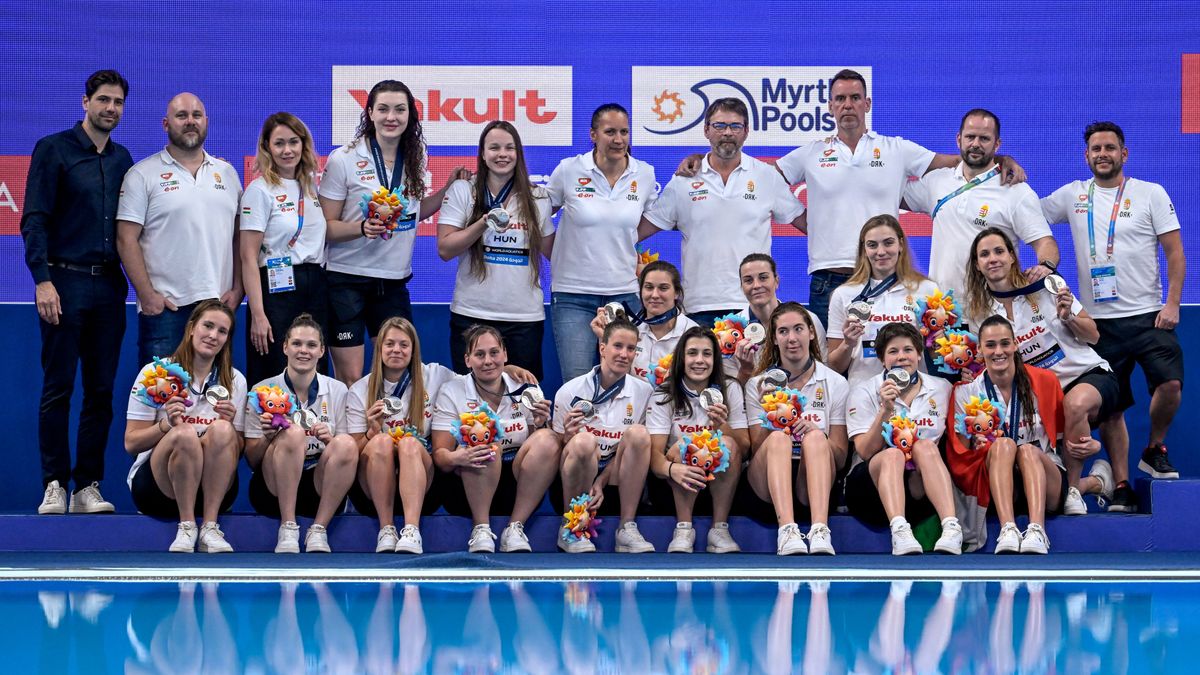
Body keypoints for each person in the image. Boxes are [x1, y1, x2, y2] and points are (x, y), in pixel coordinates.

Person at [673, 70, 1024, 328]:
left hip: (883, 278)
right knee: (830, 367)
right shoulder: (811, 153)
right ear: (830, 106)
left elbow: (956, 160)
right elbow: (757, 175)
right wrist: (701, 161)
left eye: (855, 98)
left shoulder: (896, 149)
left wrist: (1001, 161)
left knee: (888, 358)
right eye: (840, 99)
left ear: (867, 103)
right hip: (829, 279)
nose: (848, 105)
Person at [1041, 121, 1185, 482]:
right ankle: (1120, 483)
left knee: (1170, 385)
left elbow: (1175, 253)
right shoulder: (1073, 195)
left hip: (1150, 315)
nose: (1102, 154)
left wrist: (1172, 304)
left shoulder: (1150, 193)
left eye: (1109, 148)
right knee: (1111, 410)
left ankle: (1154, 449)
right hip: (1097, 324)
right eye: (1095, 149)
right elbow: (1028, 213)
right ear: (1086, 155)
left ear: (1124, 153)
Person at [21, 69, 133, 514]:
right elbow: (34, 220)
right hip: (62, 283)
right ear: (84, 102)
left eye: (118, 103)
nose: (110, 109)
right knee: (58, 388)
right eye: (103, 100)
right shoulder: (53, 150)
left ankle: (87, 485)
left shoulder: (125, 160)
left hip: (108, 286)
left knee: (101, 391)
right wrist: (42, 280)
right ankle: (53, 483)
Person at [318, 80, 464, 385]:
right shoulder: (343, 158)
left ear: (410, 114)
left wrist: (447, 191)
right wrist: (361, 228)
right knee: (352, 377)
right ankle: (351, 435)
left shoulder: (416, 155)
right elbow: (326, 228)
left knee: (397, 374)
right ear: (369, 112)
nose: (391, 117)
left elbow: (411, 213)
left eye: (400, 109)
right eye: (383, 109)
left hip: (394, 281)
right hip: (347, 280)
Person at [964, 228, 1118, 514]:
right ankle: (1094, 483)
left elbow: (1094, 336)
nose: (992, 259)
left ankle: (1073, 488)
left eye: (999, 251)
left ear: (1012, 256)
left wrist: (1069, 317)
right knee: (1039, 484)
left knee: (1075, 403)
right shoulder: (977, 311)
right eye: (984, 254)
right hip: (1036, 399)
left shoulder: (1046, 285)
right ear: (976, 264)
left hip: (1084, 376)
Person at [639, 97, 806, 327]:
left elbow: (808, 225)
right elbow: (639, 231)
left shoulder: (766, 176)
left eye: (735, 126)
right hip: (699, 306)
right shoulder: (683, 181)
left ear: (746, 131)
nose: (727, 132)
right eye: (719, 125)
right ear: (706, 130)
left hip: (753, 305)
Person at [116, 92, 243, 366]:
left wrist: (238, 289)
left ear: (206, 121)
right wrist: (147, 295)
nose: (190, 122)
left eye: (196, 115)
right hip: (166, 310)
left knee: (212, 399)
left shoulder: (228, 173)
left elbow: (239, 238)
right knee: (161, 399)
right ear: (166, 124)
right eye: (181, 116)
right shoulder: (142, 174)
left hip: (217, 306)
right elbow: (126, 239)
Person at [947, 315, 1078, 554]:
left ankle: (1037, 530)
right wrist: (978, 444)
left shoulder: (1045, 381)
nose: (999, 351)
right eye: (991, 345)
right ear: (979, 350)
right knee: (1005, 445)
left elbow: (1062, 440)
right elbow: (962, 455)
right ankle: (1008, 528)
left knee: (1028, 450)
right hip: (999, 482)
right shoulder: (967, 392)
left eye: (1005, 343)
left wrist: (1076, 482)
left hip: (1045, 480)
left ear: (1016, 344)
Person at [123, 300, 245, 552]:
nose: (213, 335)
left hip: (212, 491)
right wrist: (166, 425)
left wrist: (230, 428)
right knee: (184, 434)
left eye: (222, 331)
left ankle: (210, 527)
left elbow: (239, 452)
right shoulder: (156, 373)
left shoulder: (235, 380)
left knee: (223, 431)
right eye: (207, 326)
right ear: (191, 328)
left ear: (227, 339)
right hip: (158, 490)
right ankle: (187, 526)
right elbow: (131, 443)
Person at [548, 103, 657, 380]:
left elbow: (658, 218)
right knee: (577, 381)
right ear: (593, 135)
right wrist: (553, 250)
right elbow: (534, 213)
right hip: (573, 295)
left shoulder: (644, 174)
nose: (618, 139)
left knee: (628, 380)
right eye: (610, 131)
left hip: (624, 293)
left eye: (624, 131)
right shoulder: (569, 170)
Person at [437, 121, 553, 379]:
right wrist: (483, 223)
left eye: (509, 148)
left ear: (518, 153)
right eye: (494, 147)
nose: (502, 154)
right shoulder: (463, 190)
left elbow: (554, 252)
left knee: (524, 400)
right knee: (470, 399)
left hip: (523, 317)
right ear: (482, 153)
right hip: (472, 313)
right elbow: (445, 249)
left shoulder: (538, 197)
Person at [431, 325, 559, 553]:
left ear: (505, 355)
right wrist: (458, 456)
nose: (488, 360)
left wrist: (539, 424)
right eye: (479, 355)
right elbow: (440, 456)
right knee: (482, 433)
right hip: (468, 486)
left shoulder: (525, 386)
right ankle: (480, 528)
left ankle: (515, 528)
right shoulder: (452, 391)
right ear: (467, 360)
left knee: (548, 438)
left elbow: (535, 451)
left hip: (517, 487)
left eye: (494, 353)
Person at [903, 109, 1058, 295]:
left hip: (995, 312)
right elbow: (889, 194)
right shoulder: (936, 181)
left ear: (997, 144)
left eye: (984, 139)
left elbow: (1044, 242)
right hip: (944, 311)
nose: (975, 144)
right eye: (970, 137)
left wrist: (1046, 265)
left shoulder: (1017, 191)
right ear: (958, 139)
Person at [844, 322, 962, 555]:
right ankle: (900, 531)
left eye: (908, 350)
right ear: (882, 359)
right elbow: (865, 451)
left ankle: (951, 528)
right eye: (893, 351)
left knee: (926, 446)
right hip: (871, 489)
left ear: (919, 355)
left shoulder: (943, 388)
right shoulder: (864, 391)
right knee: (893, 454)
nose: (901, 357)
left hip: (921, 487)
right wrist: (885, 411)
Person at [245, 314, 358, 553]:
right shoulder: (262, 390)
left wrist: (330, 440)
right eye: (296, 343)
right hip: (273, 489)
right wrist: (268, 437)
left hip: (319, 487)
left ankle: (319, 530)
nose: (303, 351)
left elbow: (349, 454)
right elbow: (252, 461)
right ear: (285, 347)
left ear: (322, 350)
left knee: (346, 444)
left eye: (311, 345)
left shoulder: (337, 390)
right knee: (293, 433)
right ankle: (288, 527)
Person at [744, 302, 849, 555]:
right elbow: (757, 449)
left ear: (811, 333)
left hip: (813, 481)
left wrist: (817, 433)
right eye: (783, 331)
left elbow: (841, 457)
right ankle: (787, 531)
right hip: (767, 488)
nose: (792, 338)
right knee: (779, 438)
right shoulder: (757, 384)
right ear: (774, 338)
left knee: (814, 438)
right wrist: (770, 415)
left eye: (798, 329)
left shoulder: (835, 382)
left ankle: (820, 530)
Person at [345, 317, 456, 554]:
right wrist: (372, 431)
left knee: (409, 443)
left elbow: (476, 379)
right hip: (371, 485)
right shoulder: (359, 390)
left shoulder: (435, 376)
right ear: (380, 349)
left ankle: (411, 530)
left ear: (413, 349)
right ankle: (386, 529)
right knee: (382, 441)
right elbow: (350, 453)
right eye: (390, 344)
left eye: (404, 345)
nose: (397, 350)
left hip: (422, 481)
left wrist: (507, 369)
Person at [239, 112, 328, 385]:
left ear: (304, 145)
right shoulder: (259, 190)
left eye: (293, 142)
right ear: (267, 147)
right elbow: (248, 257)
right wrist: (257, 314)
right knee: (273, 367)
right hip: (276, 290)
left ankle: (313, 427)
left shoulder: (311, 188)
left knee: (315, 368)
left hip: (316, 284)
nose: (287, 150)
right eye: (279, 143)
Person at [554, 319, 655, 553]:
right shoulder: (570, 391)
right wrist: (567, 437)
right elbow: (558, 451)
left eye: (631, 349)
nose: (624, 354)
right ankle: (571, 525)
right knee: (583, 441)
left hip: (616, 479)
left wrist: (601, 480)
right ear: (602, 348)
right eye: (618, 346)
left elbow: (631, 451)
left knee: (640, 435)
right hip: (574, 483)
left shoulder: (644, 392)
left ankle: (626, 528)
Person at [646, 327, 749, 553]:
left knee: (728, 443)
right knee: (686, 443)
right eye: (692, 353)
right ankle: (684, 529)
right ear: (682, 357)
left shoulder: (730, 388)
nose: (699, 360)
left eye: (707, 354)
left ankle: (719, 530)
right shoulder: (664, 393)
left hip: (721, 487)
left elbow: (744, 448)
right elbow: (653, 457)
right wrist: (671, 468)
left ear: (715, 359)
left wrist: (722, 425)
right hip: (674, 485)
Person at [826, 215, 940, 389]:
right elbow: (834, 366)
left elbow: (936, 356)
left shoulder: (927, 290)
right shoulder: (844, 294)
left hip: (915, 396)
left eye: (888, 243)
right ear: (864, 250)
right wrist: (848, 343)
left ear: (901, 245)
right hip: (863, 394)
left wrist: (940, 343)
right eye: (872, 245)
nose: (880, 252)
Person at [589, 260, 697, 385]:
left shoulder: (693, 334)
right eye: (649, 287)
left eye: (663, 288)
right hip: (632, 403)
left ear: (677, 293)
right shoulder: (627, 328)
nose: (655, 295)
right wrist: (605, 338)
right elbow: (610, 381)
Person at [727, 253, 826, 384]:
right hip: (752, 400)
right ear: (741, 286)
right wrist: (745, 370)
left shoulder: (808, 320)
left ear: (777, 281)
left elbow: (823, 368)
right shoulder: (729, 330)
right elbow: (730, 392)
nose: (756, 285)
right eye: (748, 280)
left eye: (763, 278)